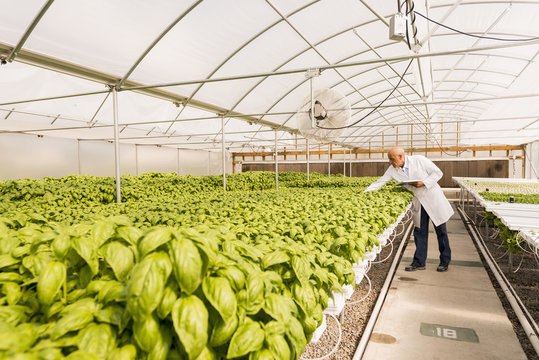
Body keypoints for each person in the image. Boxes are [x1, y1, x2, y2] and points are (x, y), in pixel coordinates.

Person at [364, 147, 453, 272]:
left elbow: (438, 173)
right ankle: (419, 262)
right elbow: (379, 182)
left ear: (401, 157)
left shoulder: (419, 160)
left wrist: (424, 182)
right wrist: (364, 193)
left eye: (392, 159)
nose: (390, 162)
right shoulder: (392, 169)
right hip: (418, 201)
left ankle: (445, 261)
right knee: (419, 232)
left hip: (432, 198)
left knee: (441, 231)